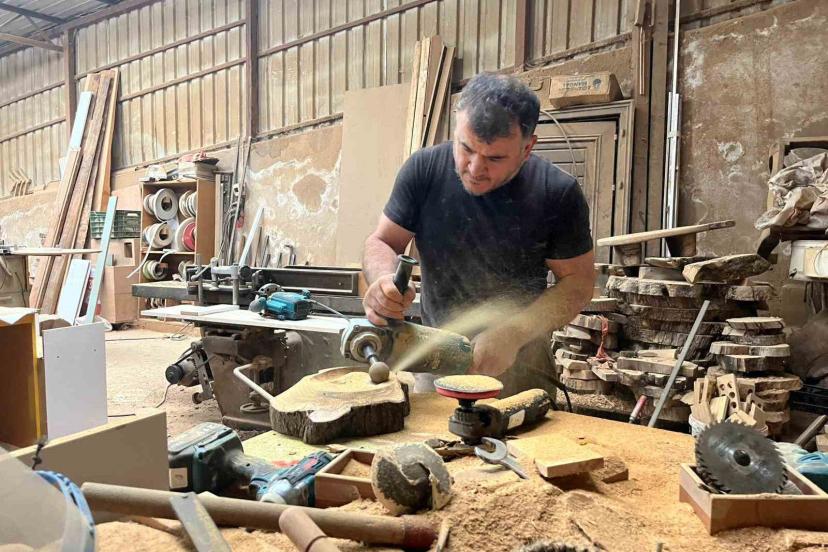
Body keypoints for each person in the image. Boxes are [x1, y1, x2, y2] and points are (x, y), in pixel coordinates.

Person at [361, 72, 596, 397]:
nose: (474, 168)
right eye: (466, 148)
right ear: (456, 127)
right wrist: (382, 281)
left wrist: (514, 333)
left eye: (494, 158)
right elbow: (383, 241)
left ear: (527, 148)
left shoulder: (556, 193)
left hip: (522, 361)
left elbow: (578, 284)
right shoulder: (423, 171)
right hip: (437, 355)